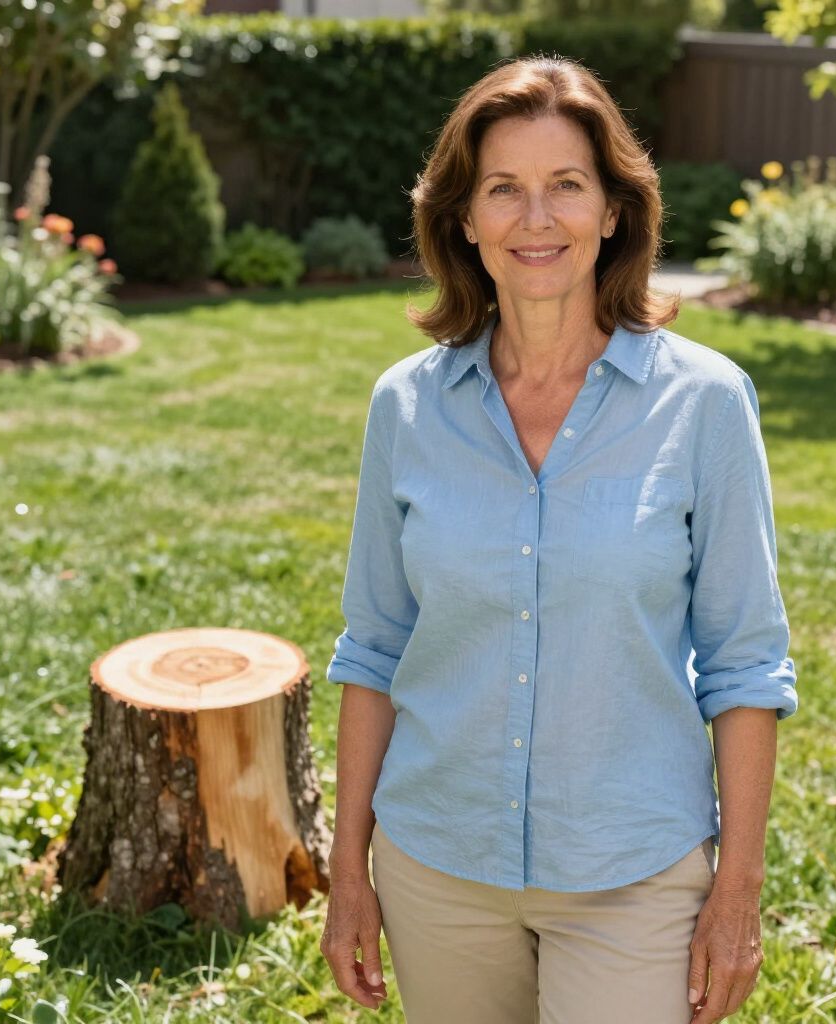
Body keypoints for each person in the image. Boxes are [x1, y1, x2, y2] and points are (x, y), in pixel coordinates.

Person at [319, 54, 799, 1024]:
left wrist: (736, 891)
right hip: (436, 861)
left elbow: (746, 661)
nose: (535, 219)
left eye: (565, 186)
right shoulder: (404, 406)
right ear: (462, 215)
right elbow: (375, 645)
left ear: (614, 209)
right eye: (504, 189)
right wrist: (349, 871)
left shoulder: (703, 402)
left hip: (631, 869)